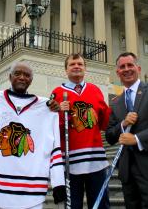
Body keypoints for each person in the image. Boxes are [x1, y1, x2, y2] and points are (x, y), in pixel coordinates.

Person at [0, 61, 65, 208]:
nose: (22, 77)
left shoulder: (46, 107)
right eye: (17, 74)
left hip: (29, 190)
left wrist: (58, 183)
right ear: (10, 77)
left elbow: (54, 147)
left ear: (31, 80)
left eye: (27, 75)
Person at [105, 52, 148, 209]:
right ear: (117, 72)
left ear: (138, 68)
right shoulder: (116, 102)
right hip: (127, 172)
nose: (126, 69)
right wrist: (123, 124)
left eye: (130, 65)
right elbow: (109, 136)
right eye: (122, 66)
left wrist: (137, 139)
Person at [49, 53, 111, 209]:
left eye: (80, 64)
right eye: (72, 64)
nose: (76, 66)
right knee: (73, 206)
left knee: (100, 205)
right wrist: (59, 113)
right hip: (70, 161)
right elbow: (50, 128)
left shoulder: (95, 90)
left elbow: (105, 123)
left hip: (95, 160)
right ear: (66, 69)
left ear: (85, 68)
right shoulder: (57, 93)